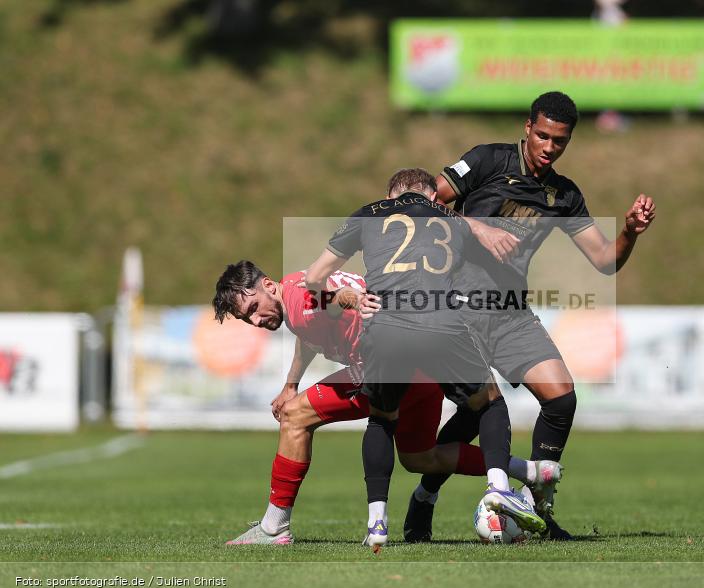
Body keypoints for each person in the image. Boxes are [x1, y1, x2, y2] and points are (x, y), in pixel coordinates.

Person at [399, 91, 655, 542]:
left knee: (561, 398)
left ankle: (537, 509)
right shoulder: (486, 161)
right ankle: (426, 495)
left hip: (511, 312)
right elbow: (420, 204)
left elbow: (604, 259)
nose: (549, 147)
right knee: (484, 409)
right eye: (542, 135)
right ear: (527, 127)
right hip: (455, 305)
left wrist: (629, 233)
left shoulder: (564, 194)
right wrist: (475, 226)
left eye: (559, 140)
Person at [212, 261, 559, 545]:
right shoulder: (295, 286)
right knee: (419, 457)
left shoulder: (301, 301)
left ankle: (274, 527)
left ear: (268, 286)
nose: (256, 320)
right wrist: (291, 383)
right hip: (422, 367)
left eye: (254, 308)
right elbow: (311, 330)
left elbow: (331, 301)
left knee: (294, 416)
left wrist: (352, 299)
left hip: (385, 368)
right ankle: (531, 471)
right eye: (247, 318)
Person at [304, 168, 547, 549]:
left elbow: (315, 277)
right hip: (442, 325)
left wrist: (342, 300)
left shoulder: (367, 213)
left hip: (385, 328)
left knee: (382, 421)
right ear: (434, 195)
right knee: (489, 402)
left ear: (391, 193)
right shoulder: (452, 219)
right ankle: (499, 487)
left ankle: (376, 525)